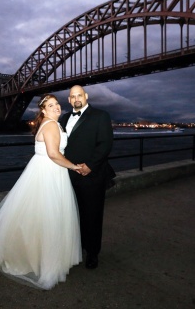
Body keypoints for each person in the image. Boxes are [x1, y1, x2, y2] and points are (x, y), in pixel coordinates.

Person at [0, 94, 82, 290]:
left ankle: (35, 255)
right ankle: (46, 261)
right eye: (51, 105)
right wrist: (74, 167)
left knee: (35, 215)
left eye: (57, 104)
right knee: (49, 216)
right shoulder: (52, 126)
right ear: (44, 111)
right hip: (50, 173)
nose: (56, 107)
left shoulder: (45, 125)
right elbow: (54, 154)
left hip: (41, 171)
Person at [59, 85, 116, 269]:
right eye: (72, 96)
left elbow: (105, 144)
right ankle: (75, 248)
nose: (76, 98)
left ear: (86, 96)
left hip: (92, 175)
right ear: (69, 100)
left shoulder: (101, 116)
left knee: (92, 214)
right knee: (72, 215)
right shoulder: (64, 118)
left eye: (79, 95)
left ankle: (92, 253)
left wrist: (90, 166)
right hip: (68, 175)